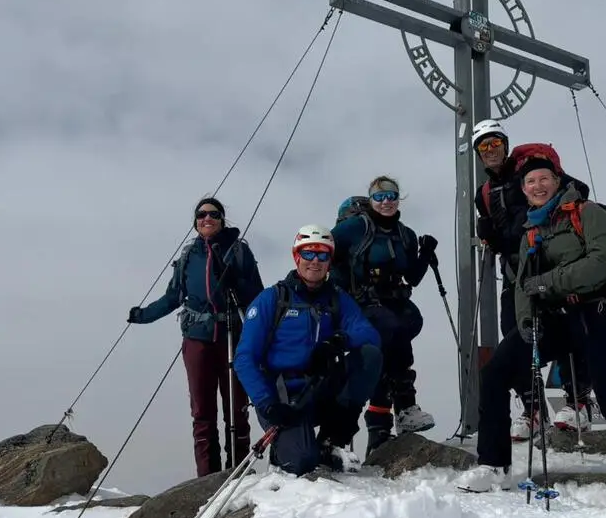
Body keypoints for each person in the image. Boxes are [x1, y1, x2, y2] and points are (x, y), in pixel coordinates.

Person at [465, 150, 606, 498]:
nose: (538, 186)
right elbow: (523, 284)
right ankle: (492, 465)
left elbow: (601, 264)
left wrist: (547, 283)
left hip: (598, 313)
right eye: (530, 181)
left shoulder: (589, 213)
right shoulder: (530, 232)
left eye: (544, 179)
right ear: (523, 189)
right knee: (495, 373)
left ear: (557, 181)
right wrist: (525, 323)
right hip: (554, 319)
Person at [471, 120, 595, 439]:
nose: (491, 150)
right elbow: (499, 240)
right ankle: (533, 407)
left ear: (506, 144)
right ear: (478, 154)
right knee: (515, 335)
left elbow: (575, 191)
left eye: (495, 143)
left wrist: (525, 222)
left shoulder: (530, 172)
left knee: (570, 325)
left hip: (551, 263)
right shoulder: (483, 193)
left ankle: (579, 401)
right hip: (516, 272)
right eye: (484, 146)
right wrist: (491, 234)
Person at [127, 197, 265, 477]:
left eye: (214, 214)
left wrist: (236, 284)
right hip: (197, 340)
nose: (207, 218)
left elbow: (257, 297)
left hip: (233, 338)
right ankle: (208, 479)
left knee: (237, 410)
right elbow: (173, 297)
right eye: (202, 215)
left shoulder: (238, 252)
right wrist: (143, 315)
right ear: (195, 222)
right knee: (202, 414)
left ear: (222, 219)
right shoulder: (189, 256)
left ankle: (239, 474)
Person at [233, 225, 383, 475]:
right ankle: (285, 450)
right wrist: (266, 403)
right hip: (282, 398)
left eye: (323, 255)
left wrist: (338, 340)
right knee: (302, 462)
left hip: (320, 387)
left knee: (369, 356)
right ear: (296, 257)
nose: (315, 261)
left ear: (330, 261)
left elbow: (369, 334)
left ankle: (330, 441)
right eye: (308, 254)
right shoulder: (273, 299)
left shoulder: (336, 299)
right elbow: (244, 358)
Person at [331, 175, 439, 456]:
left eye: (391, 195)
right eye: (379, 197)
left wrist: (425, 253)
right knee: (391, 332)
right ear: (371, 201)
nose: (386, 201)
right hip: (361, 304)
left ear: (398, 198)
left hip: (393, 305)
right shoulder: (355, 228)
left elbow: (412, 277)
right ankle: (403, 407)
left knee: (399, 334)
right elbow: (325, 250)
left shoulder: (405, 234)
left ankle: (380, 432)